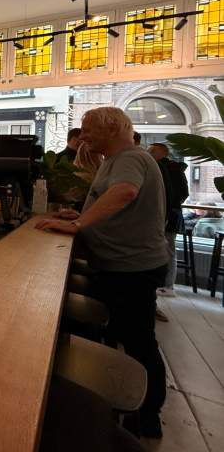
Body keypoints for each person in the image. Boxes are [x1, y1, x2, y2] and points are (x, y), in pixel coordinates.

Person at [36, 107, 168, 439]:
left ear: (110, 129)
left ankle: (146, 417)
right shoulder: (116, 159)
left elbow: (125, 192)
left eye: (87, 129)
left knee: (139, 340)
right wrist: (80, 212)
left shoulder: (128, 158)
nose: (82, 137)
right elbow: (113, 197)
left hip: (132, 266)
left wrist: (79, 224)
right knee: (133, 336)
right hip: (122, 263)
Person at [148, 143, 189, 300]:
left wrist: (167, 213)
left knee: (168, 249)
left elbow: (178, 194)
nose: (149, 153)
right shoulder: (167, 169)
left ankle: (167, 285)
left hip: (167, 217)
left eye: (154, 151)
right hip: (167, 215)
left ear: (165, 153)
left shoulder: (171, 170)